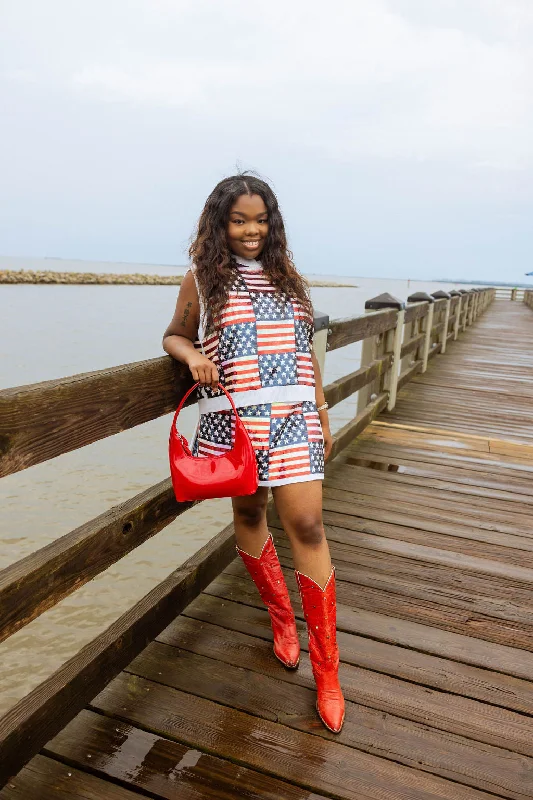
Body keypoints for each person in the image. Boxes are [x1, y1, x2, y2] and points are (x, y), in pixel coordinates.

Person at [162, 174, 345, 733]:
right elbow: (172, 334)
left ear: (273, 223)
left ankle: (329, 675)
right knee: (248, 513)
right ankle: (281, 620)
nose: (250, 230)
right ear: (220, 223)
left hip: (294, 420)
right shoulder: (203, 278)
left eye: (260, 220)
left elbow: (305, 352)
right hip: (235, 422)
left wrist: (321, 410)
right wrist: (191, 354)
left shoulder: (291, 280)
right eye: (239, 220)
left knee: (308, 526)